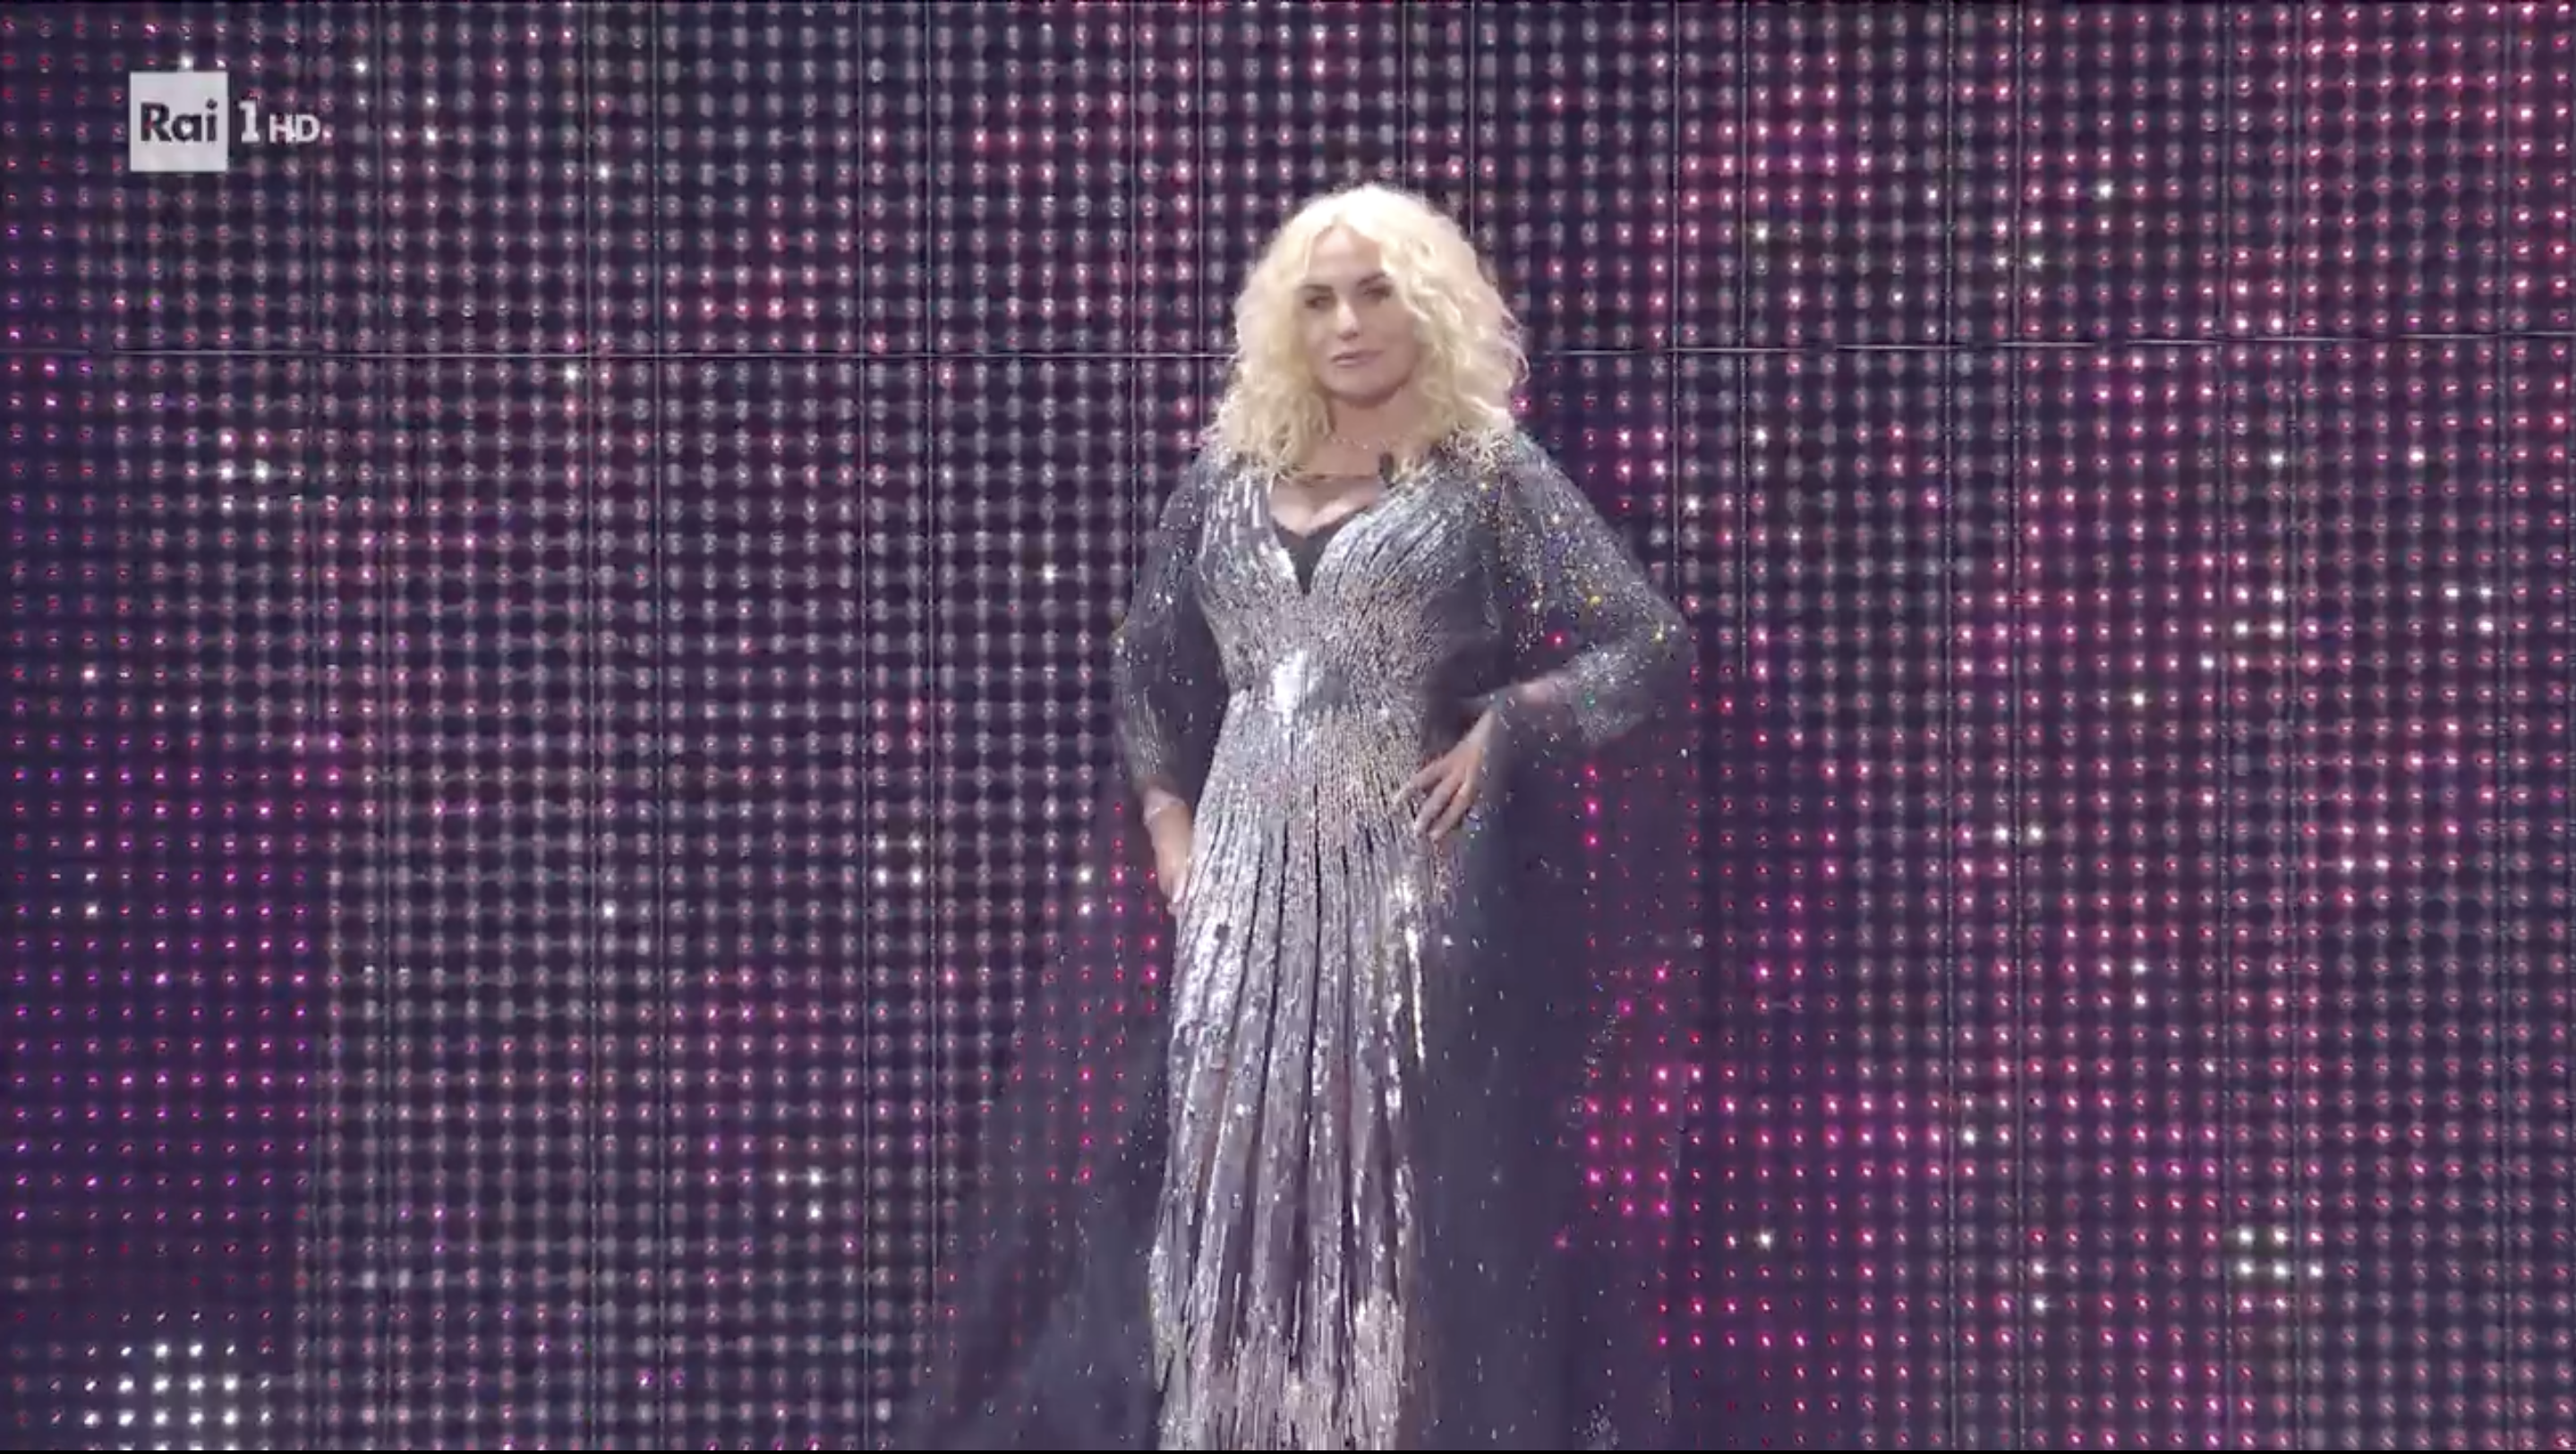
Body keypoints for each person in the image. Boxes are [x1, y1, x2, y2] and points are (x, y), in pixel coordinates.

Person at [893, 181, 1704, 1451]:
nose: (1347, 323)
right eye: (1318, 300)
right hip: (1237, 881)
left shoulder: (1486, 472)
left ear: (1426, 306)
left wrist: (1510, 724)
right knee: (1219, 1176)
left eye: (1375, 293)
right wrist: (1169, 827)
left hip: (1405, 881)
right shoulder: (1228, 477)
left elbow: (1645, 645)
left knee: (1384, 1186)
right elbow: (1147, 664)